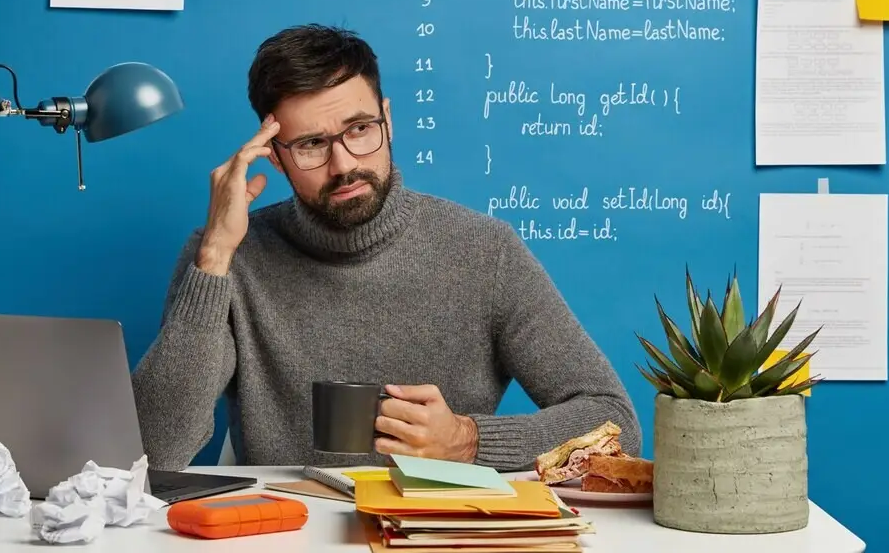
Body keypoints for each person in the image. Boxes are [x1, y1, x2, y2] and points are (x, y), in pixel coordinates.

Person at [131, 24, 640, 471]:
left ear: (387, 120)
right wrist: (216, 255)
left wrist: (469, 440)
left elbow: (614, 422)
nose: (343, 164)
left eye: (359, 129)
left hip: (438, 529)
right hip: (288, 530)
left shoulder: (485, 252)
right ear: (276, 159)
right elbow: (152, 452)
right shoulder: (226, 259)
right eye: (311, 144)